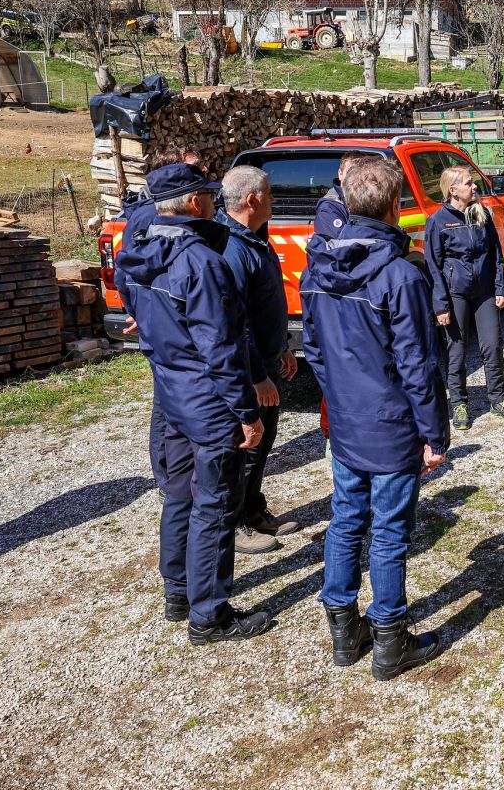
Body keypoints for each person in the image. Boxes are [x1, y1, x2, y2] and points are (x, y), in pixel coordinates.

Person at [301, 155, 449, 678]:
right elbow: (419, 365)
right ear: (394, 206)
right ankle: (388, 637)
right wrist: (434, 434)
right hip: (388, 423)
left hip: (347, 419)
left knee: (346, 520)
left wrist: (341, 396)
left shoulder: (317, 267)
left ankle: (345, 628)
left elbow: (313, 348)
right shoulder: (400, 276)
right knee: (386, 531)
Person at [115, 162, 272, 645]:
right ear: (192, 202)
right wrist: (246, 413)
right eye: (206, 193)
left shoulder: (139, 248)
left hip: (171, 393)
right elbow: (221, 349)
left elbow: (126, 289)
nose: (212, 200)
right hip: (207, 401)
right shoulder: (201, 263)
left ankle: (178, 591)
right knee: (215, 505)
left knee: (180, 494)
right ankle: (209, 615)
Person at [216, 166, 300, 554]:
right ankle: (235, 524)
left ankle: (253, 511)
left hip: (268, 362)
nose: (274, 199)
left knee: (263, 444)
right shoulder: (232, 250)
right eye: (269, 192)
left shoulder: (254, 239)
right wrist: (256, 376)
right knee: (245, 449)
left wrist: (282, 347)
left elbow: (267, 305)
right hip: (251, 374)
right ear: (252, 199)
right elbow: (237, 323)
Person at [118, 146, 205, 494]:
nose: (203, 171)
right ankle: (168, 477)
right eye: (195, 167)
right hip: (164, 323)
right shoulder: (147, 216)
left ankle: (183, 471)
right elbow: (127, 271)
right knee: (166, 403)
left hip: (174, 319)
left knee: (177, 398)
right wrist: (139, 312)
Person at [424, 165, 504, 430]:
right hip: (456, 294)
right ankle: (458, 404)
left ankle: (498, 399)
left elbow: (496, 253)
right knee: (456, 351)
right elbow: (433, 266)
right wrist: (440, 305)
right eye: (469, 183)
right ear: (453, 190)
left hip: (485, 292)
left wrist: (500, 288)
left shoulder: (482, 214)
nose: (474, 186)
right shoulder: (438, 221)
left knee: (493, 345)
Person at [314, 150, 372, 238]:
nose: (355, 178)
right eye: (350, 173)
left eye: (361, 174)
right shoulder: (330, 207)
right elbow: (342, 244)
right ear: (340, 174)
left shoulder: (372, 199)